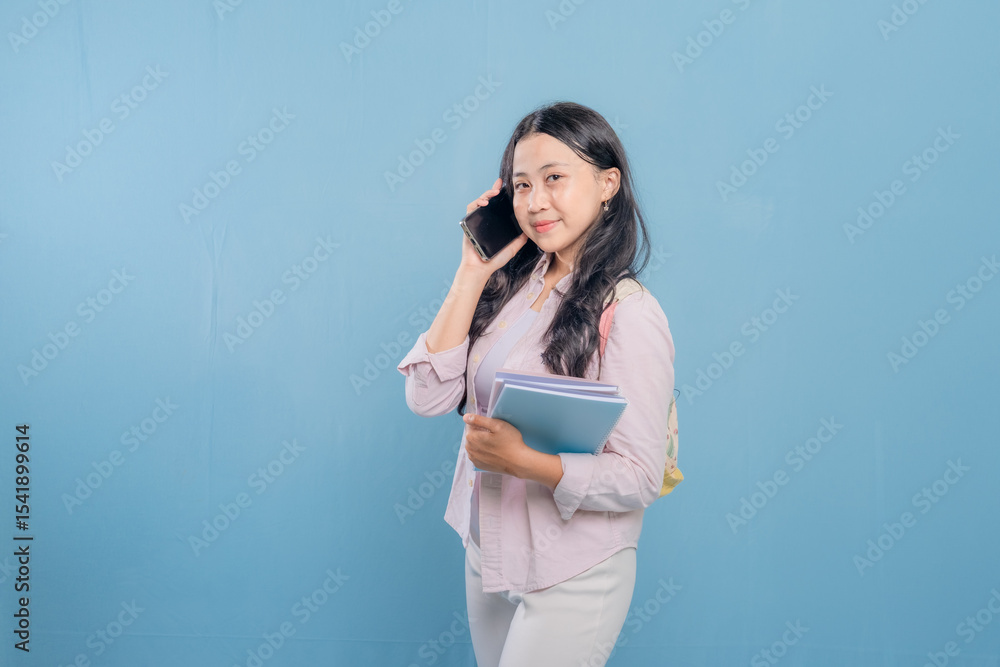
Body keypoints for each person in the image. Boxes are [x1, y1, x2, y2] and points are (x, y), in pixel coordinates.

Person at [396, 101, 676, 667]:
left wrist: (524, 461)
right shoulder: (512, 292)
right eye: (521, 186)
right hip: (489, 548)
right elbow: (426, 397)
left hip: (573, 568)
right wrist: (473, 270)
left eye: (554, 179)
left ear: (607, 184)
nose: (535, 202)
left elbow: (641, 476)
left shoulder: (630, 313)